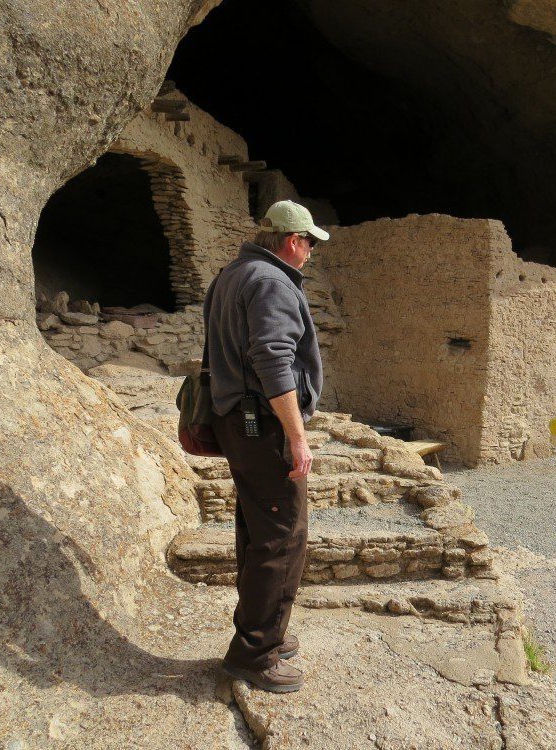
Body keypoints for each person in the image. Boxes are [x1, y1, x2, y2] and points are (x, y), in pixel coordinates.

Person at [204, 200, 328, 693]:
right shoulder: (273, 282)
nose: (312, 252)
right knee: (283, 536)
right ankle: (255, 652)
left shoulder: (232, 273)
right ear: (294, 241)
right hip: (263, 426)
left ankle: (261, 630)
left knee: (257, 530)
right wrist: (297, 437)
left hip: (237, 420)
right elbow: (274, 361)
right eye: (311, 243)